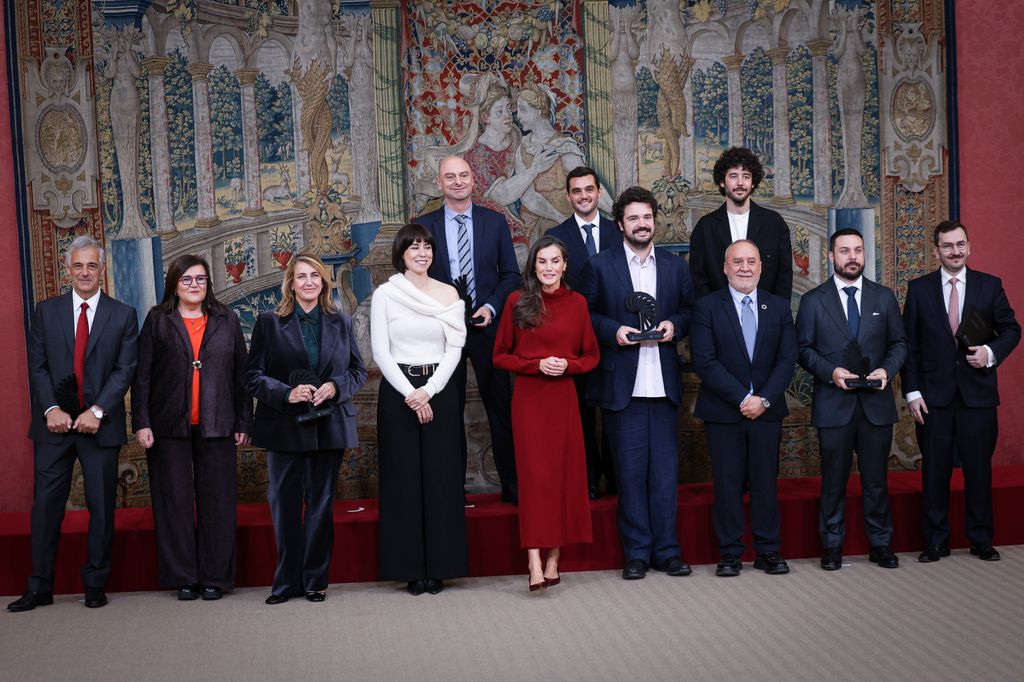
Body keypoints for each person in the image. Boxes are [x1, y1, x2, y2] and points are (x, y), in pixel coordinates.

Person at [9, 236, 138, 612]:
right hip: (53, 426)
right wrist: (51, 409)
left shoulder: (123, 314)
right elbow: (38, 365)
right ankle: (39, 587)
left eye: (91, 265)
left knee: (102, 508)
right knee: (46, 507)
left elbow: (124, 369)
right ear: (68, 270)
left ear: (102, 270)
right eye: (78, 266)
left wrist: (96, 411)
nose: (84, 272)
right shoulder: (46, 311)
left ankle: (95, 584)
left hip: (100, 426)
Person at [577, 186, 694, 580]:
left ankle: (668, 551)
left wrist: (674, 324)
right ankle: (638, 554)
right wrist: (615, 331)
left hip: (664, 389)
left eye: (647, 217)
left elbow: (690, 310)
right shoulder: (599, 265)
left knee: (664, 477)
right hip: (621, 388)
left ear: (654, 221)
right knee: (628, 475)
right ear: (620, 224)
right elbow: (586, 315)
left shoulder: (676, 266)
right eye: (633, 218)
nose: (641, 225)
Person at [246, 253, 367, 604]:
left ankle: (315, 581)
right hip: (284, 426)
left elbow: (358, 372)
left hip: (328, 425)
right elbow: (252, 376)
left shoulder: (341, 322)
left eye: (315, 276)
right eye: (302, 277)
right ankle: (286, 583)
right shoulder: (269, 323)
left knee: (320, 504)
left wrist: (336, 387)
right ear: (291, 283)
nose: (309, 282)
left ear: (324, 282)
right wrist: (287, 393)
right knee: (284, 506)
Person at [132, 254, 252, 601]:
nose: (194, 285)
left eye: (200, 279)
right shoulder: (158, 320)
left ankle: (215, 577)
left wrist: (244, 421)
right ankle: (183, 576)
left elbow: (240, 374)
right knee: (175, 504)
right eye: (187, 280)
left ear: (208, 284)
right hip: (169, 426)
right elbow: (142, 376)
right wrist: (142, 422)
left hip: (218, 424)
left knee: (218, 503)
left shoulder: (226, 318)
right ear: (174, 283)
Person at [902, 220, 1020, 562]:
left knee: (978, 470)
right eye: (948, 246)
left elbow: (1011, 329)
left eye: (961, 244)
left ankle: (981, 539)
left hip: (978, 396)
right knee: (934, 471)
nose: (955, 251)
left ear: (968, 246)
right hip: (933, 398)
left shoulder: (989, 286)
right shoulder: (919, 289)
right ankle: (935, 541)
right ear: (936, 250)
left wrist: (991, 353)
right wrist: (912, 392)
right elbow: (909, 346)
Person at [796, 228, 907, 571]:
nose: (852, 257)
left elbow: (900, 344)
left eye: (858, 250)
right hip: (834, 403)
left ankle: (881, 544)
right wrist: (832, 373)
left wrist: (887, 372)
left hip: (875, 405)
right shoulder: (814, 300)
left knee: (876, 480)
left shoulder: (884, 297)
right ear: (831, 256)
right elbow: (802, 350)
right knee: (833, 482)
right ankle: (832, 546)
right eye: (844, 251)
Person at [494, 236, 599, 591]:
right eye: (542, 262)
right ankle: (534, 559)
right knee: (536, 481)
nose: (549, 268)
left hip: (564, 401)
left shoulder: (578, 304)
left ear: (565, 265)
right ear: (533, 266)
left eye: (555, 261)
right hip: (529, 401)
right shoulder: (516, 302)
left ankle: (554, 557)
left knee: (562, 479)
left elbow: (591, 356)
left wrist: (566, 365)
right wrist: (536, 364)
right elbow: (500, 356)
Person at [415, 155, 521, 503]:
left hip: (488, 329)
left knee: (502, 409)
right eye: (450, 177)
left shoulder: (494, 222)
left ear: (473, 180)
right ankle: (452, 490)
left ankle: (513, 486)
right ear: (440, 183)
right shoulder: (424, 226)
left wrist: (491, 307)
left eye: (463, 175)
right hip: (444, 333)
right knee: (447, 412)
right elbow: (416, 278)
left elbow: (511, 276)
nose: (458, 182)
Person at [371, 224, 468, 596]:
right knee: (404, 481)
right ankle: (410, 568)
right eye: (414, 247)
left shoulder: (448, 293)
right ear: (401, 254)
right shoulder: (386, 294)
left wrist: (429, 391)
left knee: (442, 479)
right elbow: (381, 350)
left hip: (440, 390)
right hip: (399, 393)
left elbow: (454, 349)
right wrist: (412, 394)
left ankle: (441, 567)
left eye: (427, 247)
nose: (422, 253)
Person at [690, 240, 796, 577]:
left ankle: (768, 550)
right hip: (724, 412)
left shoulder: (778, 308)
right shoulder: (707, 307)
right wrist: (741, 398)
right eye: (738, 262)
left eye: (752, 261)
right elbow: (704, 361)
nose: (745, 268)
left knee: (766, 482)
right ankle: (731, 553)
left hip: (767, 410)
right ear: (725, 267)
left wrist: (762, 399)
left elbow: (787, 359)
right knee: (727, 483)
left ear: (761, 268)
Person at [545, 166, 622, 499]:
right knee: (580, 413)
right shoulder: (555, 236)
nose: (584, 196)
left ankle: (617, 477)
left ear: (599, 192)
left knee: (617, 410)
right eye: (576, 191)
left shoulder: (619, 232)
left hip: (616, 335)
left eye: (589, 189)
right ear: (568, 196)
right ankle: (588, 478)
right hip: (572, 341)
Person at [688, 147, 793, 301]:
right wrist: (711, 315)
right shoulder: (705, 227)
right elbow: (699, 280)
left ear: (753, 183)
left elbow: (784, 277)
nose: (740, 183)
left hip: (766, 317)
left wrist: (776, 316)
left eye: (746, 176)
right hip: (719, 318)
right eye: (733, 176)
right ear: (722, 182)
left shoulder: (774, 224)